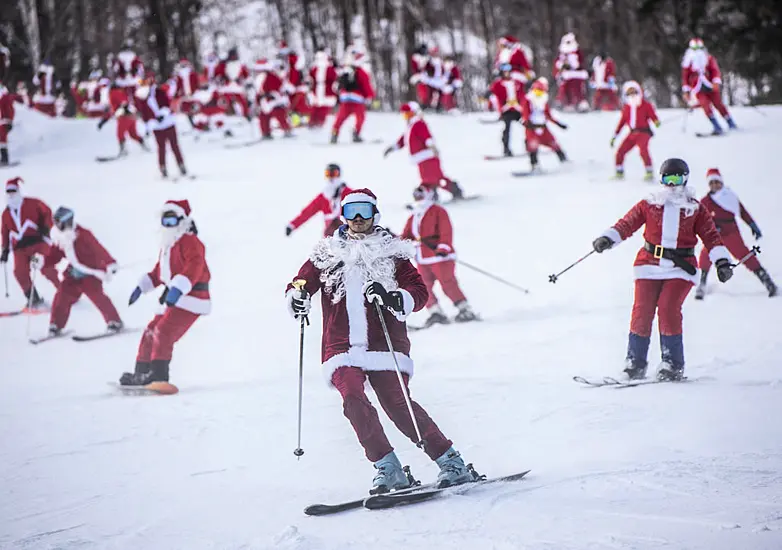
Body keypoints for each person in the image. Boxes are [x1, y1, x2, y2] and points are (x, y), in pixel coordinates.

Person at [285, 188, 475, 492]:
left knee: (398, 405)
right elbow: (301, 281)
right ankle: (388, 467)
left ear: (375, 214)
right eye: (351, 212)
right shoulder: (327, 253)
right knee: (353, 400)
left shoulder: (392, 253)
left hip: (385, 344)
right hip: (341, 346)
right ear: (343, 217)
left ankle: (450, 461)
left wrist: (394, 298)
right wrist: (297, 295)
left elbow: (419, 291)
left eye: (364, 211)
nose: (358, 218)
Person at [591, 158, 732, 381]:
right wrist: (608, 238)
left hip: (680, 268)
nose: (672, 184)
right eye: (668, 179)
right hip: (648, 265)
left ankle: (672, 363)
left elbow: (712, 237)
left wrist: (722, 262)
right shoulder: (650, 204)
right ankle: (635, 362)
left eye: (677, 179)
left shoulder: (695, 209)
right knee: (642, 310)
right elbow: (627, 223)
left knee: (667, 308)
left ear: (685, 180)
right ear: (661, 179)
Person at [121, 199, 210, 386]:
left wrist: (179, 287)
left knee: (164, 332)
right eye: (165, 222)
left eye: (172, 221)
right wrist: (143, 285)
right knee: (150, 331)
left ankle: (159, 375)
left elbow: (195, 266)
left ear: (182, 220)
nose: (168, 226)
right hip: (173, 299)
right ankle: (142, 373)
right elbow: (160, 272)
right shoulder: (168, 246)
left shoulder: (190, 241)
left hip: (192, 298)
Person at [401, 185, 477, 327]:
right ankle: (436, 312)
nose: (418, 197)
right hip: (422, 257)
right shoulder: (415, 214)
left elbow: (446, 231)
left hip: (439, 256)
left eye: (421, 194)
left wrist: (443, 247)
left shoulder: (438, 211)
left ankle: (464, 309)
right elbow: (407, 235)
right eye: (416, 195)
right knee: (423, 285)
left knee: (447, 282)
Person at [695, 168, 777, 299]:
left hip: (731, 232)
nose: (715, 185)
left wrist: (752, 224)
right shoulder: (705, 201)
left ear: (721, 182)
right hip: (715, 235)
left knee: (744, 255)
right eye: (712, 183)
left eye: (717, 182)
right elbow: (699, 218)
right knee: (706, 256)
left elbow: (742, 212)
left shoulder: (730, 196)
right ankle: (702, 283)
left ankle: (767, 280)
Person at [46, 207, 123, 336]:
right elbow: (55, 254)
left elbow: (98, 249)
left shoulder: (84, 234)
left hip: (91, 273)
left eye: (59, 223)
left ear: (68, 221)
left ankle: (114, 322)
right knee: (62, 295)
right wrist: (42, 261)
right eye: (55, 223)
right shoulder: (61, 237)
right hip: (73, 274)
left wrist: (110, 263)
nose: (57, 226)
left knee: (97, 296)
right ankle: (55, 325)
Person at [383, 102, 464, 199]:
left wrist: (432, 147)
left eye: (408, 114)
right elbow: (402, 141)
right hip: (422, 159)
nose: (406, 117)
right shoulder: (410, 127)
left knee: (433, 179)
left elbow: (427, 137)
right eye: (404, 115)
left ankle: (445, 192)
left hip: (428, 157)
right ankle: (436, 193)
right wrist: (392, 148)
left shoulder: (419, 124)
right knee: (432, 178)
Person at [0, 177, 60, 308]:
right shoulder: (5, 213)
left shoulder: (32, 203)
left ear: (18, 191)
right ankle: (33, 298)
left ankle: (65, 291)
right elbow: (4, 232)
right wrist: (5, 249)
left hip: (37, 242)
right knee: (19, 272)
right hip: (20, 248)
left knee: (45, 267)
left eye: (13, 191)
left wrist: (46, 227)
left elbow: (47, 212)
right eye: (8, 191)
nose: (11, 194)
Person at [681, 38, 736, 135]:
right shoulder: (687, 62)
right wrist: (686, 91)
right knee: (705, 105)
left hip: (709, 84)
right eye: (694, 49)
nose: (697, 51)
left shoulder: (709, 58)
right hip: (697, 87)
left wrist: (716, 82)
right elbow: (685, 77)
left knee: (718, 104)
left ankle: (730, 123)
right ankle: (716, 126)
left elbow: (715, 71)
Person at [135, 77, 187, 178]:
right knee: (161, 147)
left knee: (174, 146)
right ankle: (163, 168)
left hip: (168, 123)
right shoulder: (140, 98)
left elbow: (167, 104)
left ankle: (181, 165)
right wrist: (148, 125)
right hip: (156, 126)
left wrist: (163, 114)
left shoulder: (159, 92)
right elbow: (144, 114)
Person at [611, 81, 660, 181]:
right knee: (620, 151)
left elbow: (652, 115)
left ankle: (649, 171)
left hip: (643, 133)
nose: (632, 95)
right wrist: (615, 136)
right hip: (632, 133)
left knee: (643, 150)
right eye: (629, 93)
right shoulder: (627, 108)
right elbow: (622, 123)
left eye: (634, 92)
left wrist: (656, 121)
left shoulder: (645, 105)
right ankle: (619, 171)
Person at [286, 163, 352, 238]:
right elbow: (307, 212)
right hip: (330, 238)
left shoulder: (347, 193)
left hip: (348, 236)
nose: (331, 177)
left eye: (333, 173)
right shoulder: (323, 197)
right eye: (328, 174)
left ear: (339, 174)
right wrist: (292, 225)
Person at [521, 77, 568, 173]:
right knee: (533, 146)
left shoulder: (543, 101)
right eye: (537, 91)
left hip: (543, 127)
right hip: (532, 127)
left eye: (541, 92)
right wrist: (526, 122)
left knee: (553, 143)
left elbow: (548, 115)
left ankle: (564, 161)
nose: (539, 94)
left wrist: (558, 124)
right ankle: (534, 165)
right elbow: (525, 113)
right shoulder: (528, 100)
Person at [331, 51, 375, 143]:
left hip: (345, 98)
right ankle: (356, 134)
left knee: (340, 118)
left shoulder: (343, 71)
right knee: (360, 118)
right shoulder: (361, 72)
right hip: (357, 99)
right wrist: (370, 96)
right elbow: (366, 85)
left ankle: (334, 134)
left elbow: (337, 85)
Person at [98, 82, 147, 156]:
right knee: (133, 134)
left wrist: (104, 120)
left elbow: (118, 106)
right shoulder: (122, 93)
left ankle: (123, 150)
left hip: (124, 117)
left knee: (120, 134)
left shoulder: (113, 93)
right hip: (132, 116)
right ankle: (144, 145)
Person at [489, 63, 526, 157]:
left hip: (517, 109)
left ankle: (531, 145)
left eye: (508, 71)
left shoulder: (517, 82)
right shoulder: (498, 84)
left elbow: (522, 95)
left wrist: (521, 106)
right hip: (507, 110)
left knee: (528, 125)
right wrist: (503, 108)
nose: (507, 73)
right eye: (505, 71)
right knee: (507, 129)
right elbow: (497, 98)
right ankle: (506, 149)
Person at [253, 58, 292, 139]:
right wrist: (257, 102)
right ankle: (266, 133)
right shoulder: (258, 79)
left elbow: (279, 88)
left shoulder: (272, 76)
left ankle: (287, 130)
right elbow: (258, 92)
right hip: (265, 102)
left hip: (276, 101)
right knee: (263, 117)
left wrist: (272, 95)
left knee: (280, 115)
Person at [552, 33, 589, 112]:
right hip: (565, 75)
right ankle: (567, 104)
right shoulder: (562, 54)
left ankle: (581, 104)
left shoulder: (577, 52)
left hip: (576, 74)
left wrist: (573, 65)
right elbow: (557, 63)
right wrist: (562, 66)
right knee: (565, 89)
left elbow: (580, 63)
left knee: (577, 90)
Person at [214, 48, 251, 119]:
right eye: (233, 55)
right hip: (226, 88)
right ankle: (226, 116)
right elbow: (217, 75)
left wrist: (242, 80)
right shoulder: (223, 64)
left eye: (235, 55)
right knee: (224, 102)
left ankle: (245, 116)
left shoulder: (241, 64)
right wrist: (222, 78)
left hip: (238, 87)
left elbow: (246, 75)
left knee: (243, 101)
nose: (234, 57)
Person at [308, 50, 338, 128]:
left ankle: (317, 123)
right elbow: (311, 78)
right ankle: (314, 123)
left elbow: (333, 79)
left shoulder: (327, 68)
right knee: (317, 108)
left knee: (321, 108)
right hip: (319, 90)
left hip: (325, 91)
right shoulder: (316, 68)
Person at [0, 83, 17, 166]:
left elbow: (10, 110)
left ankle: (4, 159)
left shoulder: (5, 98)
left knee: (2, 140)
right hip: (3, 121)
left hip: (4, 122)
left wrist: (9, 121)